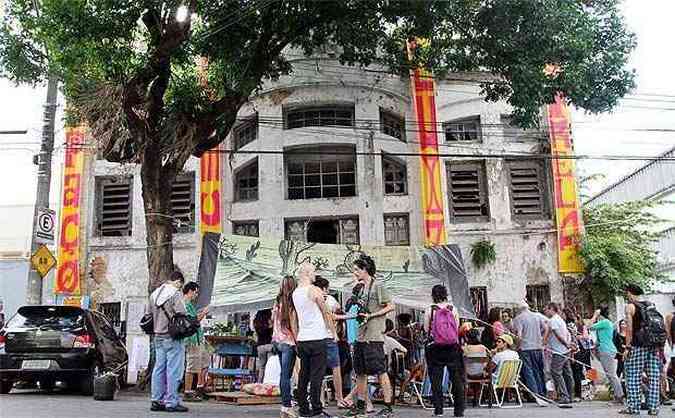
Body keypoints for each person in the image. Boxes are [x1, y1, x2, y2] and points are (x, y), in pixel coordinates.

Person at [344, 255, 395, 418]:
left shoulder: (378, 286)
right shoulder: (359, 289)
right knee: (359, 372)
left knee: (380, 371)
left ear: (365, 269)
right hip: (360, 336)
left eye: (357, 270)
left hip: (374, 336)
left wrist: (372, 315)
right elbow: (359, 313)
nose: (355, 273)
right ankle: (360, 405)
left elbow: (391, 306)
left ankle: (388, 406)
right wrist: (340, 317)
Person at [292, 262, 334, 418]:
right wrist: (333, 332)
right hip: (317, 337)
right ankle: (317, 408)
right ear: (307, 273)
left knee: (304, 374)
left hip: (303, 339)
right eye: (314, 272)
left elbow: (295, 316)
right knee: (317, 375)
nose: (315, 275)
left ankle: (303, 408)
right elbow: (326, 312)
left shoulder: (295, 293)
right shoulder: (314, 290)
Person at [149, 270, 189, 413]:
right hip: (172, 336)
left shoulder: (154, 294)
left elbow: (150, 314)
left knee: (159, 368)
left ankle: (156, 400)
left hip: (157, 335)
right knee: (174, 370)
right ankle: (171, 402)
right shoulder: (174, 293)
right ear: (178, 281)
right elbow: (182, 312)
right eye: (180, 285)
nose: (179, 288)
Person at [621, 284, 663, 416]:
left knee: (633, 376)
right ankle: (654, 408)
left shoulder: (630, 306)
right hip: (653, 345)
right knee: (654, 377)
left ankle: (633, 407)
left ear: (629, 293)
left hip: (638, 346)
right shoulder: (651, 305)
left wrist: (627, 347)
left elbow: (629, 328)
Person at [424, 284, 464, 417]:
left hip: (435, 348)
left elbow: (426, 329)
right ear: (446, 294)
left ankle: (438, 410)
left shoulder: (430, 309)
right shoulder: (453, 309)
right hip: (452, 347)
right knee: (456, 378)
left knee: (436, 380)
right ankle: (458, 410)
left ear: (433, 295)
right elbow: (457, 327)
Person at [314, 275, 346, 408]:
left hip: (316, 337)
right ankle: (339, 398)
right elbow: (336, 314)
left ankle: (320, 400)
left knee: (318, 369)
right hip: (329, 337)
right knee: (336, 367)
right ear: (325, 288)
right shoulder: (331, 300)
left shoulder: (312, 299)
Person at [273, 275, 298, 418]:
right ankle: (287, 405)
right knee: (286, 375)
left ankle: (285, 405)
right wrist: (297, 342)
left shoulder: (277, 301)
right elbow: (293, 326)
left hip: (277, 341)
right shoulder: (291, 302)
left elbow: (272, 320)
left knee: (283, 374)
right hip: (288, 342)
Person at [511, 301, 548, 397]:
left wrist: (517, 346)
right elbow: (546, 327)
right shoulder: (537, 316)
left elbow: (519, 335)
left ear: (519, 309)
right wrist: (542, 339)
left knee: (528, 371)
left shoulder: (518, 319)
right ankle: (542, 392)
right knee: (539, 370)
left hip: (525, 348)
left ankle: (534, 394)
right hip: (538, 347)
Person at [182, 282, 210, 402]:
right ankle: (187, 391)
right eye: (196, 292)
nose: (196, 295)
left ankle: (200, 387)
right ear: (190, 291)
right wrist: (204, 313)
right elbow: (193, 321)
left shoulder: (190, 305)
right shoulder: (185, 304)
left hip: (198, 338)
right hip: (192, 339)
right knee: (192, 366)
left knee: (204, 362)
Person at [590, 306, 624, 403]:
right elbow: (602, 336)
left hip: (606, 350)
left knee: (612, 375)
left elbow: (589, 326)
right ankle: (618, 395)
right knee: (610, 375)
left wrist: (595, 316)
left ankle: (619, 396)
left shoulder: (604, 322)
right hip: (605, 350)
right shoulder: (605, 323)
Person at [544, 302, 574, 407]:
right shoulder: (559, 319)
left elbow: (559, 336)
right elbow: (565, 333)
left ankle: (564, 396)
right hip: (565, 351)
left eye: (546, 309)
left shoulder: (553, 320)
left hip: (559, 351)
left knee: (555, 372)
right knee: (567, 373)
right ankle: (570, 396)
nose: (545, 311)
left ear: (551, 309)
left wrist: (566, 344)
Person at [254, 308, 274, 383]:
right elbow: (272, 332)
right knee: (269, 366)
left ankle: (260, 383)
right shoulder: (269, 321)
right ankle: (268, 383)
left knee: (262, 367)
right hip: (269, 345)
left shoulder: (256, 322)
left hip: (260, 346)